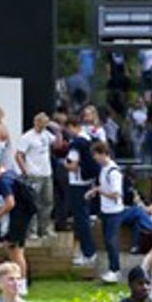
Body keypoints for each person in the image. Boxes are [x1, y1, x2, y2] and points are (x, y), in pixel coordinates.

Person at [0, 154, 34, 285]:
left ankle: (21, 283)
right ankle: (20, 280)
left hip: (15, 219)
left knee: (15, 252)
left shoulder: (3, 181)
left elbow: (10, 202)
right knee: (17, 250)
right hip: (23, 217)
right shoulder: (11, 174)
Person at [87, 140, 124, 284]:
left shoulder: (113, 172)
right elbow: (104, 187)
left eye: (96, 155)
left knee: (111, 240)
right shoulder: (103, 169)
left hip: (114, 212)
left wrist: (99, 191)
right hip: (106, 210)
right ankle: (112, 269)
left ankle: (115, 270)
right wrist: (95, 190)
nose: (94, 158)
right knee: (107, 241)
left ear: (103, 154)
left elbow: (116, 194)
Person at [15, 112, 56, 241]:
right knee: (34, 203)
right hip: (34, 174)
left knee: (48, 202)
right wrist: (25, 170)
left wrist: (58, 130)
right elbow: (18, 155)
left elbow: (57, 143)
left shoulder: (46, 134)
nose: (43, 126)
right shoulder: (27, 137)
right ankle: (32, 231)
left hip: (47, 173)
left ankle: (44, 229)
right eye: (42, 123)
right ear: (36, 122)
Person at [65, 114, 98, 268]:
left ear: (72, 126)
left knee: (81, 220)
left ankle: (88, 253)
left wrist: (64, 164)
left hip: (78, 183)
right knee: (84, 218)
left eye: (68, 129)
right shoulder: (89, 138)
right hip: (88, 181)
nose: (67, 132)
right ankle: (88, 252)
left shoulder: (76, 143)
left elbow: (72, 165)